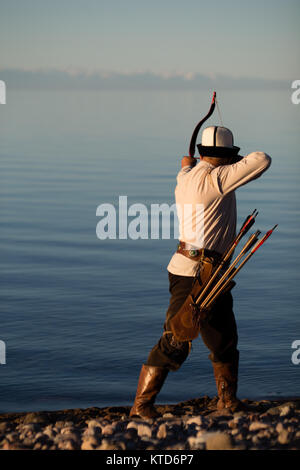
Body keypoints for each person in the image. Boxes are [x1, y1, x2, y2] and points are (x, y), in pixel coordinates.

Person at [130, 125, 271, 419]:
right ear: (225, 156)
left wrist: (189, 164)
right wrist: (229, 162)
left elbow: (187, 169)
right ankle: (141, 406)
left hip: (211, 272)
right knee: (177, 336)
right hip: (195, 272)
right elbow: (262, 159)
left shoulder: (185, 177)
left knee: (224, 337)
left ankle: (227, 401)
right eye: (231, 156)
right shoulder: (217, 179)